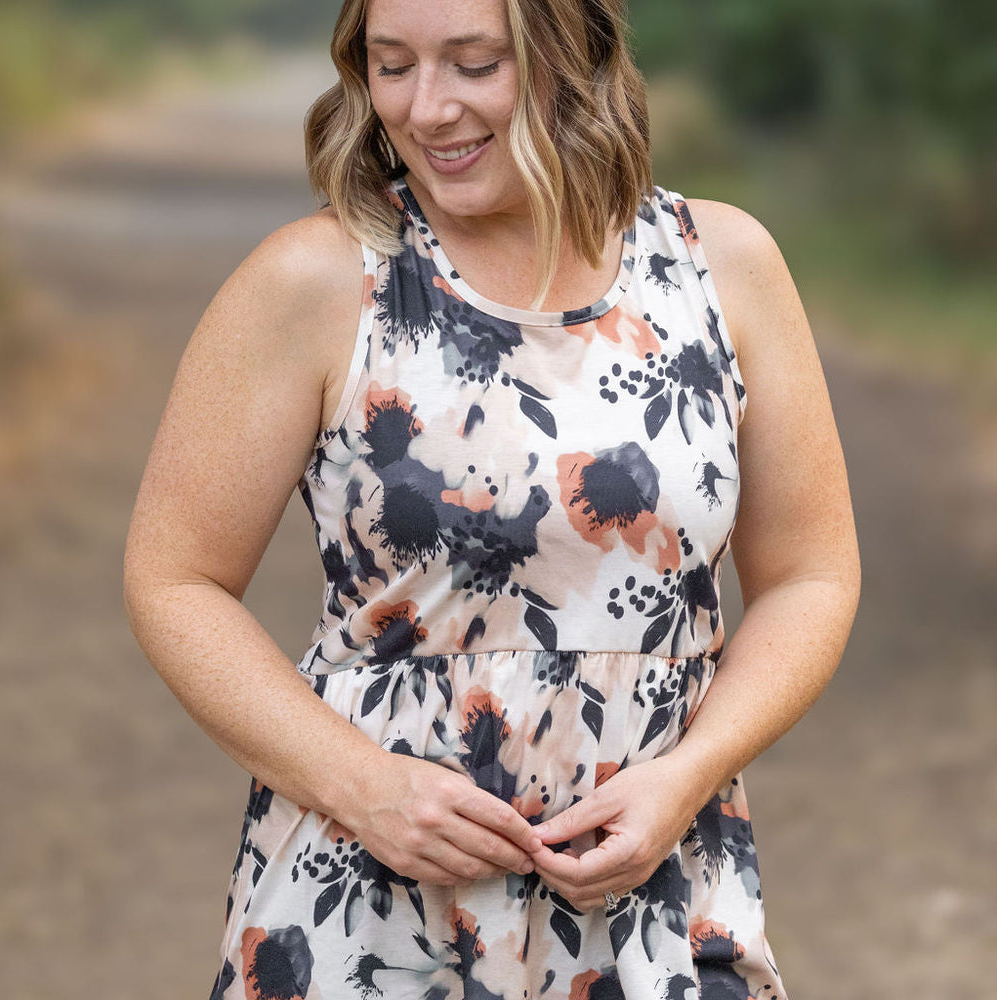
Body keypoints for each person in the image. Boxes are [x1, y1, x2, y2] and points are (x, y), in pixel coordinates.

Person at [124, 0, 860, 996]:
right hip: (369, 906)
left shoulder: (719, 268)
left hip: (656, 900)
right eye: (392, 66)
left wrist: (687, 777)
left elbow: (809, 577)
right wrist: (364, 787)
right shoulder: (320, 280)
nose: (426, 110)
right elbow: (174, 579)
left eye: (474, 65)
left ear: (575, 56)